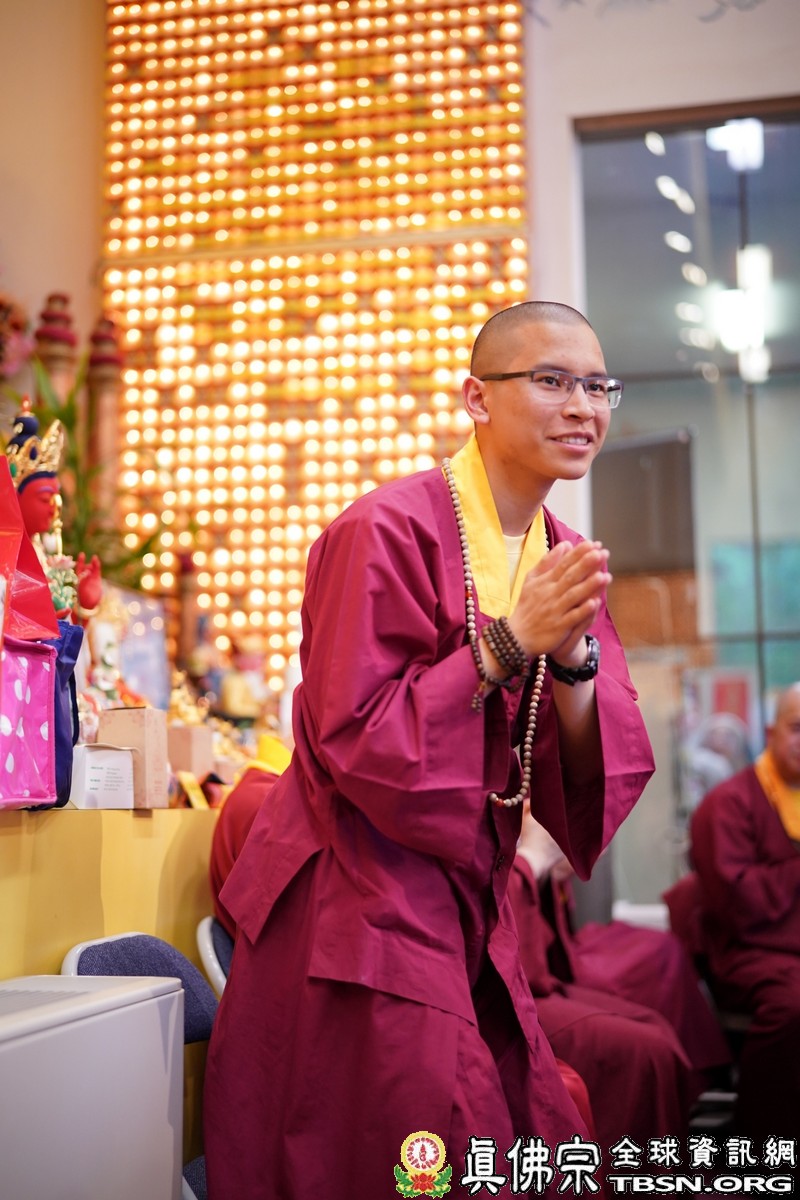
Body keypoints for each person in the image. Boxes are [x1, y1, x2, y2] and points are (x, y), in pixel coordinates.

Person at [203, 300, 655, 1198]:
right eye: (552, 381)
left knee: (519, 1140)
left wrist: (572, 659)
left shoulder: (559, 556)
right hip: (357, 902)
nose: (583, 407)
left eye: (598, 386)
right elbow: (359, 739)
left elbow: (589, 771)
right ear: (476, 398)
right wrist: (510, 643)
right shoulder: (383, 531)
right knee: (410, 1152)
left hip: (468, 906)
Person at [519, 812, 731, 1087]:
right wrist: (534, 860)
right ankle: (693, 1081)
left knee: (663, 950)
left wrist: (554, 865)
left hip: (554, 945)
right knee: (650, 1043)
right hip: (526, 970)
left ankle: (697, 1078)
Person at [508, 849, 697, 1153]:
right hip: (502, 995)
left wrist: (547, 867)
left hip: (536, 970)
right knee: (647, 1047)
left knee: (655, 1023)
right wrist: (532, 860)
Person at [689, 681, 800, 1153]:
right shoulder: (729, 803)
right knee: (795, 1007)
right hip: (749, 954)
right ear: (771, 733)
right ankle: (766, 1143)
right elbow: (738, 905)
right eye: (797, 728)